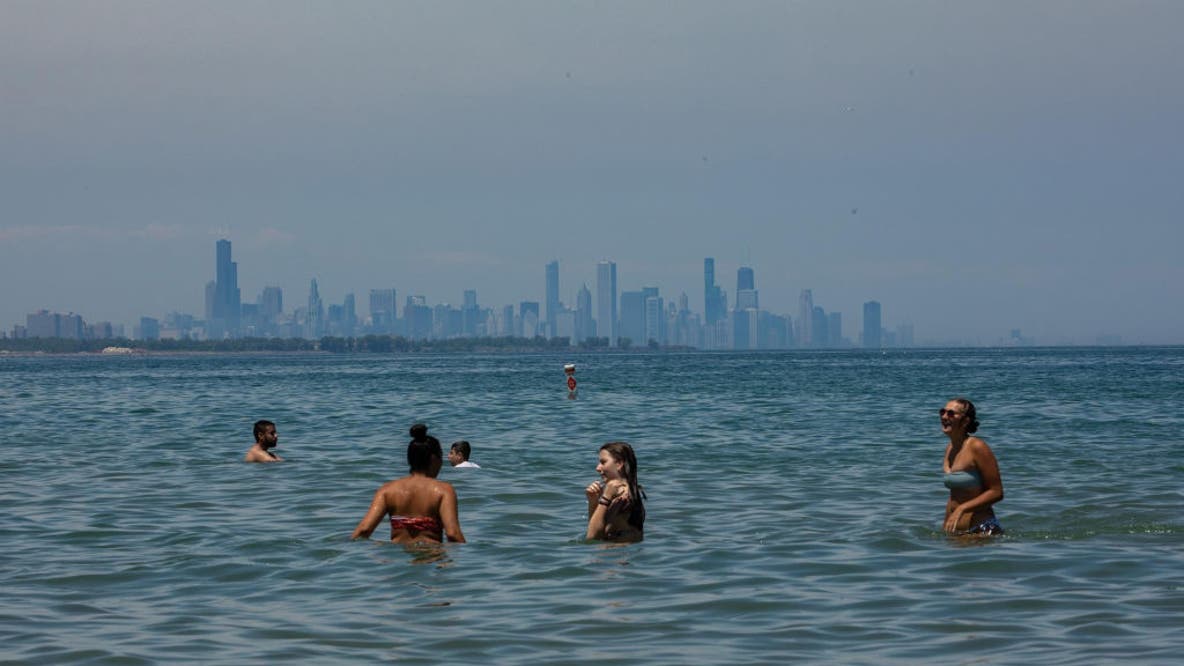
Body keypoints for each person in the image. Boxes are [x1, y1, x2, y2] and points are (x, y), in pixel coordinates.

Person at [351, 424, 466, 544]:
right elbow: (453, 534)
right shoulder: (444, 491)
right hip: (431, 553)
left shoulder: (387, 490)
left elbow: (364, 530)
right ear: (434, 459)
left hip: (397, 554)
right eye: (441, 457)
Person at [940, 398, 1004, 535]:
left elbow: (996, 492)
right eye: (942, 412)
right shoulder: (950, 448)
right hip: (958, 532)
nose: (944, 417)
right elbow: (955, 495)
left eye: (951, 414)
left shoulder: (977, 447)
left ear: (965, 421)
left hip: (982, 529)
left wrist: (962, 509)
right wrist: (945, 525)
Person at [584, 441, 645, 542]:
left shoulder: (623, 496)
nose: (597, 468)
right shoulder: (629, 490)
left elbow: (592, 536)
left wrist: (605, 498)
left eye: (603, 462)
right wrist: (593, 502)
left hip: (615, 551)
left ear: (619, 464)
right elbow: (596, 527)